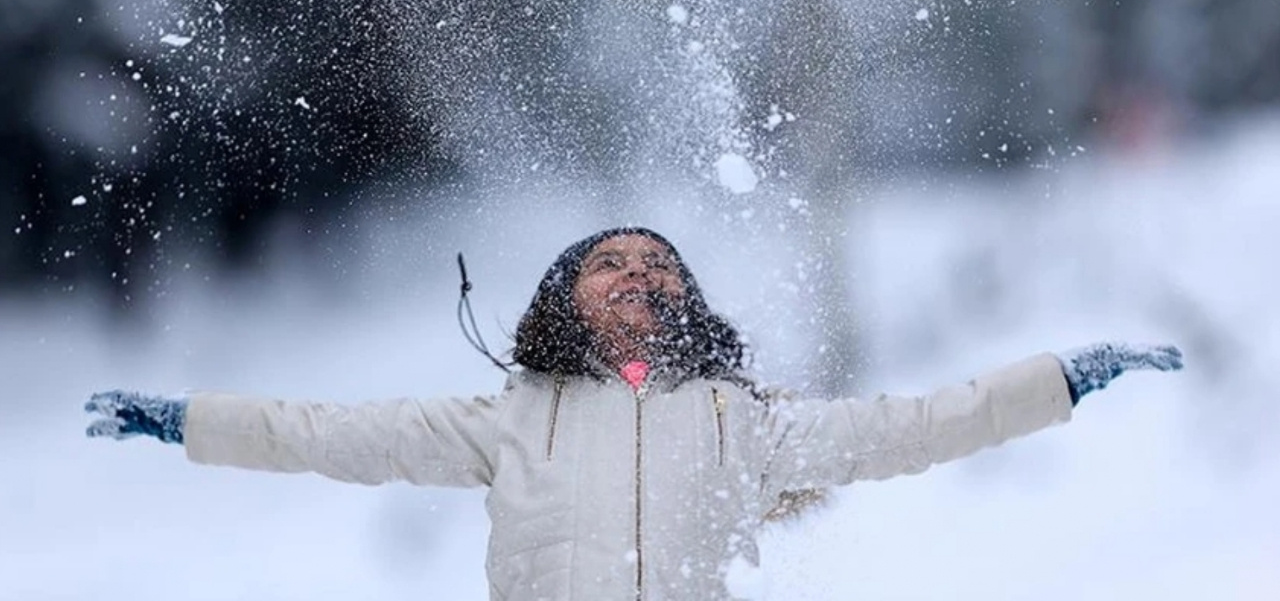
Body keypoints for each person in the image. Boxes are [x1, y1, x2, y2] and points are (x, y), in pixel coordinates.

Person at [85, 227, 1183, 601]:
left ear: (685, 301)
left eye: (657, 264)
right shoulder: (506, 418)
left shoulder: (743, 424)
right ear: (563, 297)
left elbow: (918, 423)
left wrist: (1061, 379)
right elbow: (322, 434)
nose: (634, 275)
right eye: (606, 263)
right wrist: (186, 420)